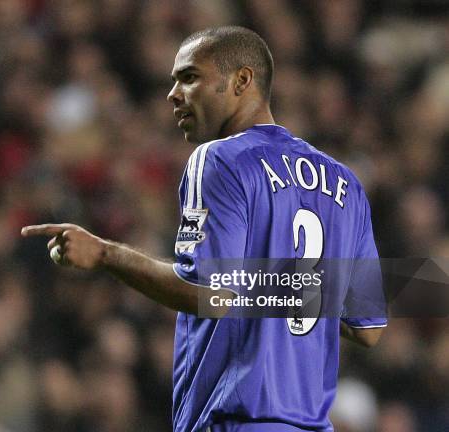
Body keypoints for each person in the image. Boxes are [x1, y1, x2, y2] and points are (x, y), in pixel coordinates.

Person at [22, 26, 387, 432]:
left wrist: (107, 254)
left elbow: (210, 293)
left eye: (190, 77)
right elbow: (367, 326)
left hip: (235, 422)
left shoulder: (220, 159)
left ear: (241, 80)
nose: (173, 94)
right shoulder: (344, 182)